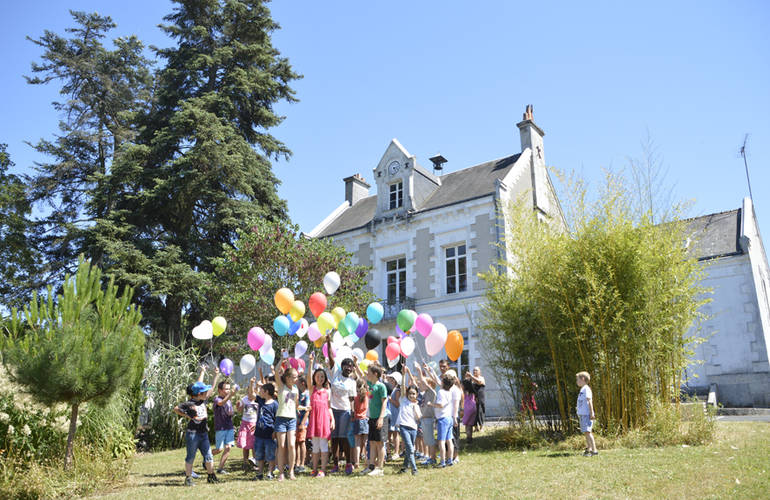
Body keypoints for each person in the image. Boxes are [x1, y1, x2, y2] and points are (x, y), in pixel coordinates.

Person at [173, 365, 220, 486]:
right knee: (191, 456)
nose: (207, 393)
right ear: (199, 394)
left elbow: (210, 387)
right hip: (192, 434)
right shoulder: (189, 403)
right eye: (204, 392)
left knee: (208, 455)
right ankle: (188, 478)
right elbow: (176, 408)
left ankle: (211, 476)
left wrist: (215, 375)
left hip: (203, 433)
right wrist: (188, 416)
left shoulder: (202, 400)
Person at [326, 334, 357, 474]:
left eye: (351, 367)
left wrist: (352, 412)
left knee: (345, 438)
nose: (349, 368)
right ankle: (335, 464)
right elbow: (331, 358)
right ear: (342, 366)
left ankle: (349, 463)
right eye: (347, 366)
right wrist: (328, 341)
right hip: (333, 410)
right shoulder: (335, 373)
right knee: (335, 438)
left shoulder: (352, 382)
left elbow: (352, 399)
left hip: (345, 412)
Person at [306, 352, 334, 477]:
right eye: (318, 376)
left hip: (324, 421)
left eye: (322, 376)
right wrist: (311, 363)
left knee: (323, 445)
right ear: (314, 377)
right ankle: (314, 468)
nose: (320, 378)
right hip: (314, 421)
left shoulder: (327, 391)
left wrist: (332, 419)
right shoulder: (312, 390)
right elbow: (307, 379)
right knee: (315, 446)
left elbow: (329, 407)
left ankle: (322, 469)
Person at [274, 359, 299, 480]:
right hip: (281, 419)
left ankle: (291, 471)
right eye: (294, 377)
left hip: (292, 419)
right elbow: (276, 372)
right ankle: (281, 473)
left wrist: (303, 408)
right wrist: (281, 361)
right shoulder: (281, 387)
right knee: (282, 446)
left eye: (297, 377)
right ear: (288, 378)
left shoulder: (295, 390)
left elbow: (295, 404)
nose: (296, 379)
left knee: (292, 445)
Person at [361, 363, 388, 476]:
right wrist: (356, 365)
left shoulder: (381, 386)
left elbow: (384, 402)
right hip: (372, 417)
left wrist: (381, 418)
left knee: (379, 443)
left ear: (375, 374)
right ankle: (371, 465)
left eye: (369, 372)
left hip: (380, 417)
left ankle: (380, 468)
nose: (367, 374)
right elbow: (360, 376)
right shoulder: (370, 384)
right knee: (372, 442)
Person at [396, 365, 422, 475]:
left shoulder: (416, 404)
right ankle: (414, 469)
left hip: (413, 428)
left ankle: (404, 468)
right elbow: (402, 386)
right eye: (410, 393)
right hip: (403, 426)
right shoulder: (403, 400)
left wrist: (416, 408)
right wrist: (404, 375)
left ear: (416, 395)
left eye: (414, 394)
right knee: (411, 449)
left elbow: (418, 418)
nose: (411, 395)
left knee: (409, 449)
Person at [253, 379, 278, 480]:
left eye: (261, 390)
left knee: (270, 454)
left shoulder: (275, 404)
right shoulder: (261, 401)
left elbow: (277, 419)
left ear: (266, 392)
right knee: (259, 454)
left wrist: (275, 432)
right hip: (259, 433)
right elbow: (251, 395)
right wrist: (252, 384)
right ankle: (260, 473)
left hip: (269, 434)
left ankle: (270, 472)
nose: (259, 392)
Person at [429, 374, 455, 468]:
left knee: (441, 441)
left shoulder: (441, 392)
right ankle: (450, 460)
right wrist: (430, 371)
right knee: (449, 440)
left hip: (442, 419)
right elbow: (437, 381)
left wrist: (431, 404)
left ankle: (442, 461)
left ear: (443, 383)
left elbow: (441, 405)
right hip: (449, 418)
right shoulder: (449, 391)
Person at [212, 380, 237, 474]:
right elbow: (221, 403)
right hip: (220, 427)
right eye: (226, 389)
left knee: (228, 447)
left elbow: (230, 412)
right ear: (219, 390)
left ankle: (220, 468)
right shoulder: (216, 399)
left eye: (229, 389)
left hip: (229, 426)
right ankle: (206, 458)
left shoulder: (229, 400)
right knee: (219, 449)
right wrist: (230, 395)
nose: (228, 390)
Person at [415, 363, 437, 465]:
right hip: (424, 419)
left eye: (423, 384)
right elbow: (420, 382)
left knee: (430, 440)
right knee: (427, 440)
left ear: (429, 385)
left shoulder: (432, 392)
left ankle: (433, 458)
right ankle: (430, 457)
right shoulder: (425, 393)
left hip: (428, 419)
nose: (420, 385)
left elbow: (424, 381)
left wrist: (420, 370)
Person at [236, 377, 259, 471]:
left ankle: (254, 462)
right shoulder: (244, 399)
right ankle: (245, 462)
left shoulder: (257, 400)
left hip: (254, 423)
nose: (250, 394)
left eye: (252, 392)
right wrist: (238, 407)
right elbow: (240, 410)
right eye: (249, 392)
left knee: (253, 444)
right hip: (245, 423)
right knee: (245, 444)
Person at [576, 371, 598, 457]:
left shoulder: (586, 389)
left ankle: (594, 450)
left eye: (577, 380)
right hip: (583, 414)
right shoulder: (582, 389)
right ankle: (589, 448)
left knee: (588, 432)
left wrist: (591, 413)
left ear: (583, 379)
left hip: (586, 414)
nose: (577, 382)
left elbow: (589, 401)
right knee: (586, 432)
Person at [351, 375, 369, 473]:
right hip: (365, 419)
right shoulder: (367, 395)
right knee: (366, 442)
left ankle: (356, 461)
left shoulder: (355, 397)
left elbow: (353, 409)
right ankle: (367, 459)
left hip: (357, 419)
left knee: (357, 442)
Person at [295, 374, 310, 474]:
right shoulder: (298, 394)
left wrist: (303, 423)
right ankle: (296, 463)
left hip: (302, 422)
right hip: (296, 421)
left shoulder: (307, 394)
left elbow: (308, 410)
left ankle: (302, 464)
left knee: (302, 442)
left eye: (297, 383)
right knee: (296, 443)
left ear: (303, 383)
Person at [386, 371, 402, 460]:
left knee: (396, 433)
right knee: (388, 434)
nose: (391, 380)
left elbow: (398, 404)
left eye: (393, 379)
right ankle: (388, 453)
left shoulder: (397, 390)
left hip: (395, 414)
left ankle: (396, 452)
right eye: (390, 379)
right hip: (390, 414)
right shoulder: (392, 389)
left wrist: (390, 399)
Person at [466, 366, 486, 430]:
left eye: (476, 370)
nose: (474, 371)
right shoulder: (471, 380)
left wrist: (471, 376)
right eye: (474, 370)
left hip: (480, 397)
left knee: (480, 411)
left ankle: (481, 427)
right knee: (473, 412)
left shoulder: (482, 378)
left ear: (480, 372)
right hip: (473, 398)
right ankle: (475, 427)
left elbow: (479, 382)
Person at [461, 379, 477, 444]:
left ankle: (468, 438)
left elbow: (462, 399)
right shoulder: (472, 391)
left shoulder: (464, 392)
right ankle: (470, 437)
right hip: (473, 407)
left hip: (467, 408)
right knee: (470, 424)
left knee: (466, 424)